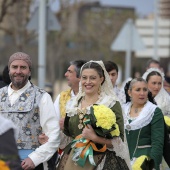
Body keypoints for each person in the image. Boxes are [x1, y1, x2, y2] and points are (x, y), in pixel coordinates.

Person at [57, 60, 131, 170]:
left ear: (101, 79)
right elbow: (68, 136)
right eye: (84, 77)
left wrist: (95, 138)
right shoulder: (73, 103)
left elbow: (120, 143)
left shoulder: (111, 104)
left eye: (93, 78)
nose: (88, 81)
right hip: (74, 160)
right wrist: (59, 131)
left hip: (103, 160)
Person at [0, 52, 60, 170]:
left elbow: (53, 134)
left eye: (23, 67)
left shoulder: (42, 96)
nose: (18, 71)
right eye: (14, 67)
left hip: (30, 163)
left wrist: (35, 158)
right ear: (9, 70)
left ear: (29, 71)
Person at [123, 78, 164, 170]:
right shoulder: (123, 109)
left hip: (144, 162)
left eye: (145, 89)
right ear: (130, 92)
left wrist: (152, 165)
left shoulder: (153, 111)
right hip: (122, 161)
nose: (142, 93)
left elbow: (157, 143)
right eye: (138, 90)